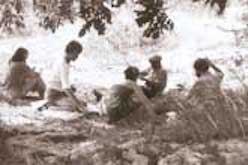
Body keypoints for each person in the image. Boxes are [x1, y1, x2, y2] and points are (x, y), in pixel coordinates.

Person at [39, 40, 86, 112]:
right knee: (76, 107)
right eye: (76, 54)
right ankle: (50, 105)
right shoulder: (63, 65)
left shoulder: (64, 62)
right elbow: (66, 88)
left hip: (59, 93)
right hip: (53, 95)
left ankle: (51, 104)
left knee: (83, 103)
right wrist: (78, 104)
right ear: (70, 52)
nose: (77, 57)